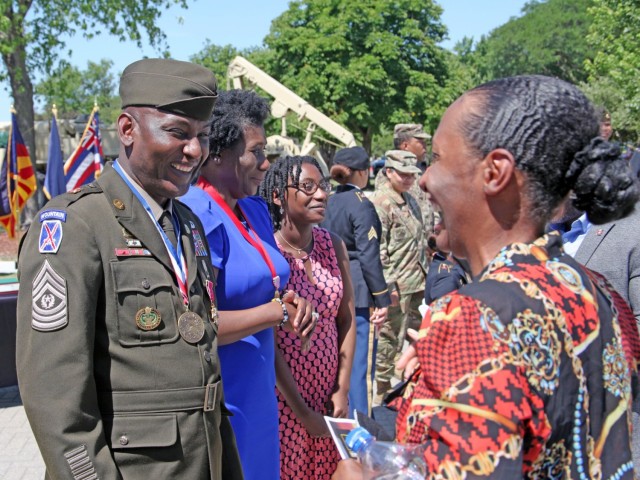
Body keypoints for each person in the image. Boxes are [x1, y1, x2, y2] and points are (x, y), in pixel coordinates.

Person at [334, 74, 640, 479]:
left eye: (439, 159)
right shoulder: (600, 294)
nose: (424, 179)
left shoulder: (477, 317)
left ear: (495, 172)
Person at [16, 58, 243, 478]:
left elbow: (204, 370)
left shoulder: (186, 224)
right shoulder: (77, 226)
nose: (194, 151)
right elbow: (56, 400)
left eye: (203, 136)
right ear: (127, 130)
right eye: (177, 133)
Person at [180, 90, 315, 480]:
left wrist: (286, 300)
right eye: (255, 152)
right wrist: (277, 312)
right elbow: (197, 326)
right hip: (224, 395)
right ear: (218, 153)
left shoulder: (252, 208)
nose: (265, 162)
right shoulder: (197, 217)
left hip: (259, 391)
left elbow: (261, 282)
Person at [259, 155, 356, 479]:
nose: (321, 194)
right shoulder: (268, 253)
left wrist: (342, 390)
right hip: (287, 402)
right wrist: (302, 413)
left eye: (323, 186)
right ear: (278, 196)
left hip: (330, 396)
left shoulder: (333, 246)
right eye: (307, 187)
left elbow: (347, 319)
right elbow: (268, 343)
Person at [320, 146, 391, 417]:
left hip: (329, 285)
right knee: (358, 364)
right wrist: (381, 297)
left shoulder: (328, 201)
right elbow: (368, 254)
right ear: (363, 173)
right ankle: (359, 423)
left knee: (335, 358)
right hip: (359, 291)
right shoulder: (361, 204)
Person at [370, 150, 427, 404]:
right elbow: (378, 248)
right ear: (389, 172)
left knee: (415, 338)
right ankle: (381, 395)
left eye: (411, 175)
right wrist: (388, 286)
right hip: (397, 286)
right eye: (403, 175)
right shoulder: (381, 202)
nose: (408, 179)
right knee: (389, 340)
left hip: (417, 282)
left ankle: (409, 387)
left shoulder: (410, 199)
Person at [393, 123, 437, 241]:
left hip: (425, 246)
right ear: (405, 146)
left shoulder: (422, 169)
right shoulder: (392, 174)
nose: (425, 147)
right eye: (420, 142)